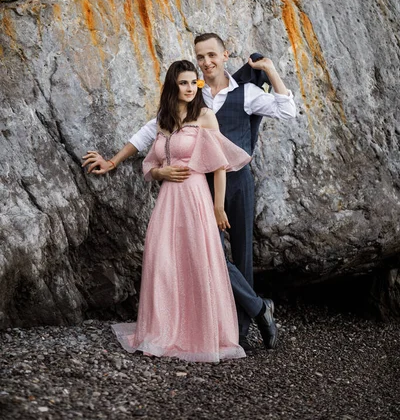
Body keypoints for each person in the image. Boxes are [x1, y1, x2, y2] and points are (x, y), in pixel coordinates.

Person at [83, 34, 296, 352]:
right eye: (201, 56)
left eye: (212, 55)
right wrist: (113, 160)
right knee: (213, 256)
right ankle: (249, 312)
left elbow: (288, 111)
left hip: (237, 182)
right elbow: (150, 131)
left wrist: (269, 68)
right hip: (201, 183)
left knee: (242, 254)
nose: (207, 61)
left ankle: (242, 328)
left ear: (225, 55)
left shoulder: (247, 94)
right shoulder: (192, 92)